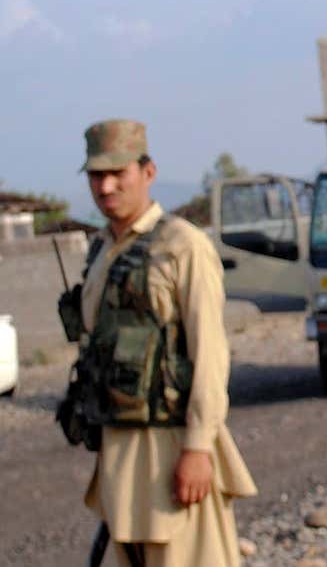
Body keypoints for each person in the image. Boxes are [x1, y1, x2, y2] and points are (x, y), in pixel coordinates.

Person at [68, 120, 257, 565]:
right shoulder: (100, 251)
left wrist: (197, 448)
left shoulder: (182, 245)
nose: (107, 186)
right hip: (118, 448)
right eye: (96, 176)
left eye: (119, 173)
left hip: (171, 447)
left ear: (147, 172)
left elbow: (210, 355)